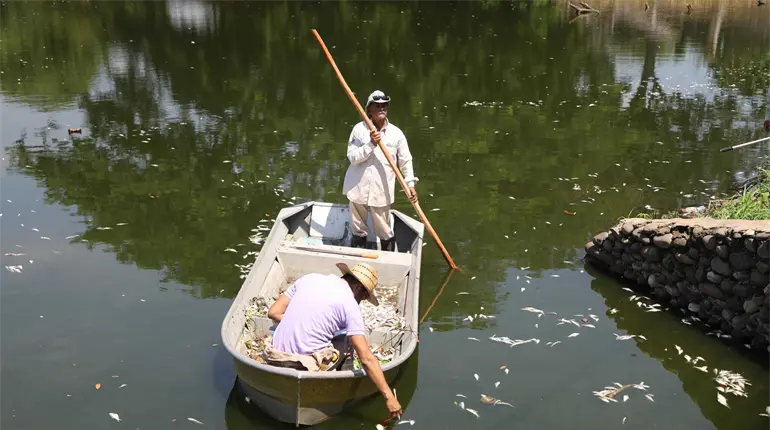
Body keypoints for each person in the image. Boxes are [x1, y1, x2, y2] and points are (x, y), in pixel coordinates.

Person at [266, 262, 403, 419]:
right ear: (358, 288)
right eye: (365, 296)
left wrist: (304, 321)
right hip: (307, 366)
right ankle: (342, 381)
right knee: (349, 339)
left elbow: (273, 312)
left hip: (276, 354)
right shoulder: (350, 305)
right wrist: (389, 397)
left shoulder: (309, 279)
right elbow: (366, 358)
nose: (362, 300)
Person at [342, 90, 418, 251]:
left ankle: (388, 260)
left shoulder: (396, 134)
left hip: (381, 190)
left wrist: (410, 184)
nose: (381, 109)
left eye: (384, 106)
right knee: (358, 229)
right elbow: (353, 157)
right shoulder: (359, 130)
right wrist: (371, 144)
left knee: (384, 230)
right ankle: (356, 260)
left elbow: (406, 160)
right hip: (358, 187)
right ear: (369, 109)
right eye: (377, 106)